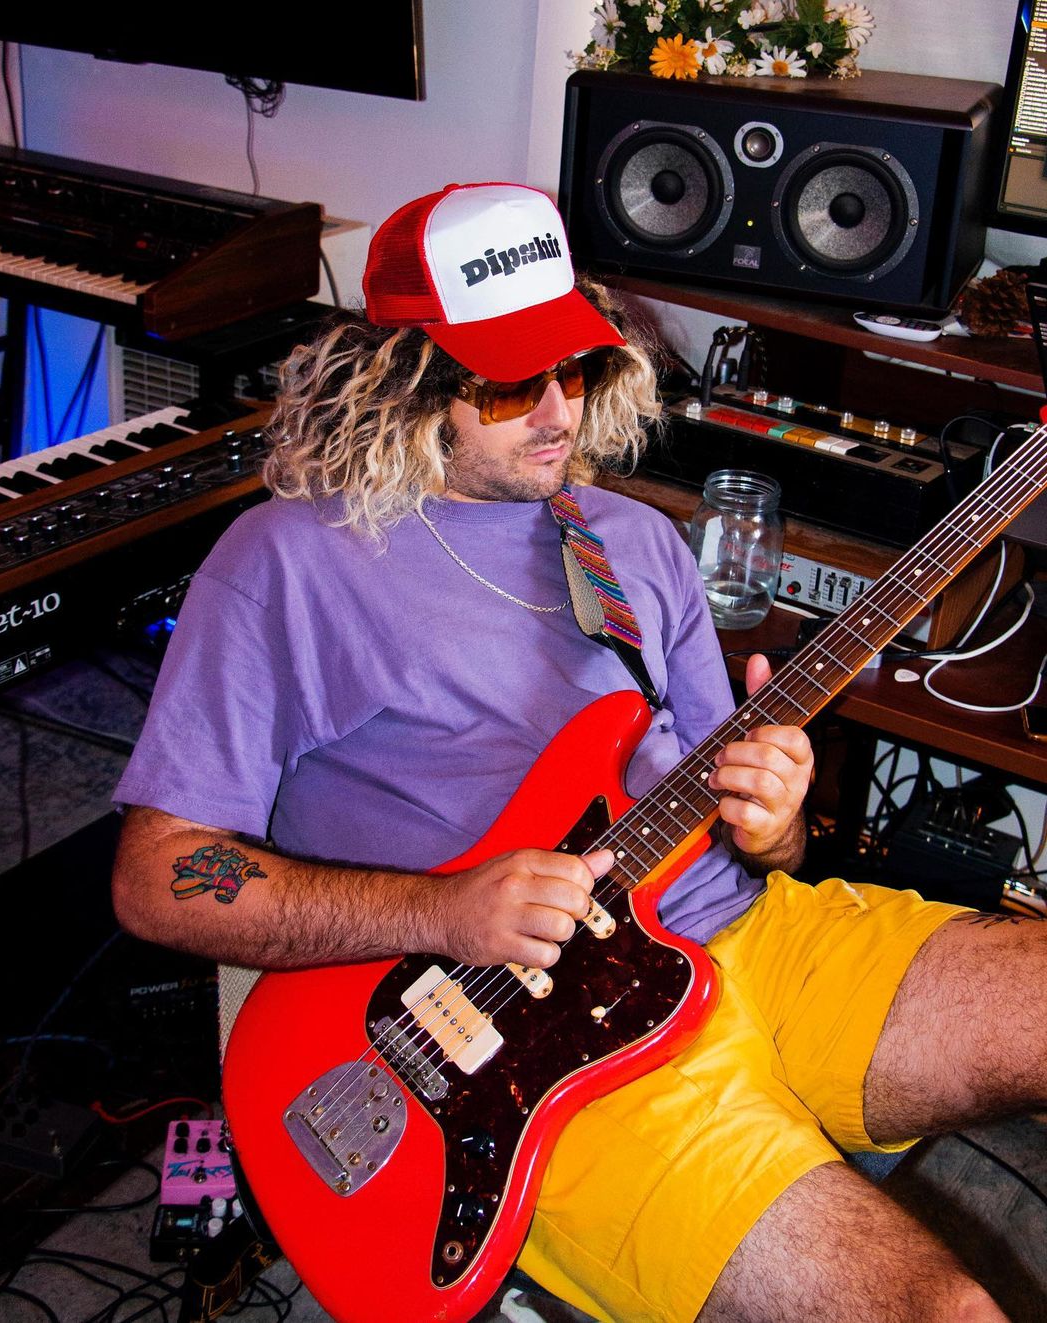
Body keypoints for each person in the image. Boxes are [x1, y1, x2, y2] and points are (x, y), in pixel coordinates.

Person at [112, 182, 1045, 1323]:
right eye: (513, 383)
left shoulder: (634, 540)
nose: (558, 412)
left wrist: (775, 822)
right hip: (528, 1031)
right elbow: (159, 876)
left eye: (579, 368)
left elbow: (757, 839)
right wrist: (443, 913)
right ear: (407, 381)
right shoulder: (287, 564)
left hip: (747, 937)